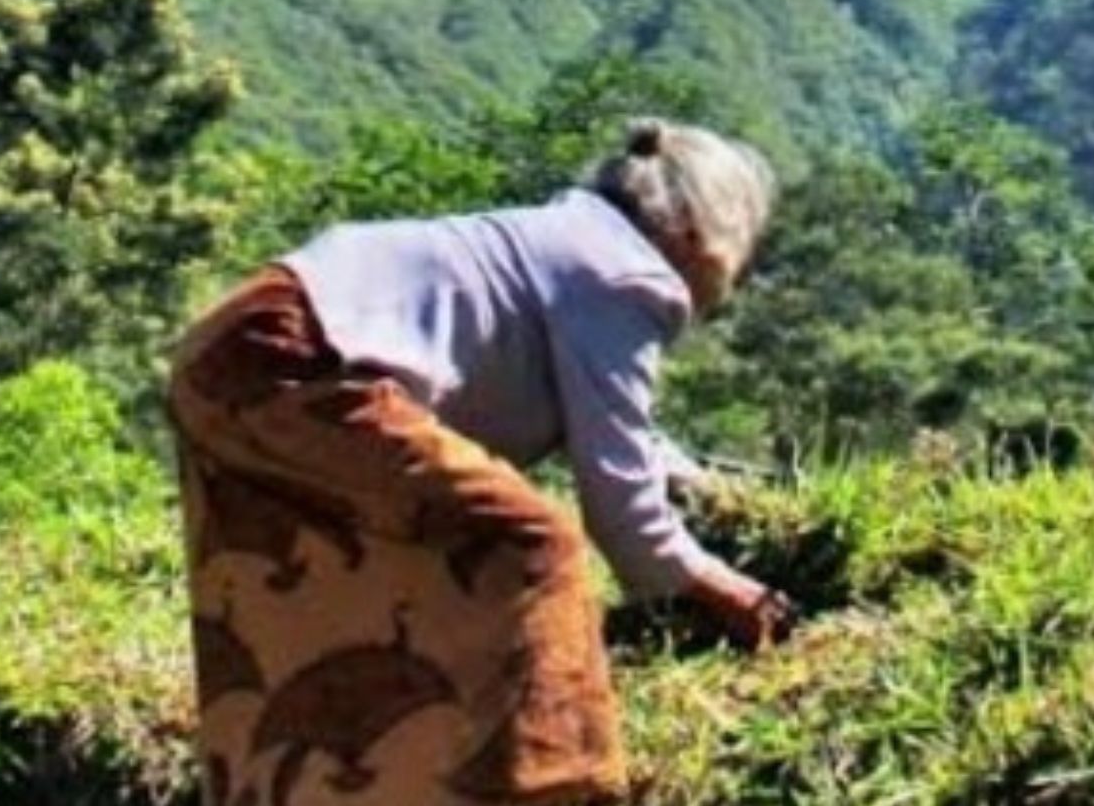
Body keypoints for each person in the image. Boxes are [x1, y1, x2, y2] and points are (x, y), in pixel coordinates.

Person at [167, 118, 790, 806]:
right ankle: (559, 786)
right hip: (295, 350)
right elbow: (623, 515)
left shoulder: (571, 242)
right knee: (534, 540)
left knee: (308, 589)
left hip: (227, 345)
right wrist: (725, 587)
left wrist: (711, 486)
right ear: (701, 231)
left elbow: (622, 432)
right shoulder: (627, 276)